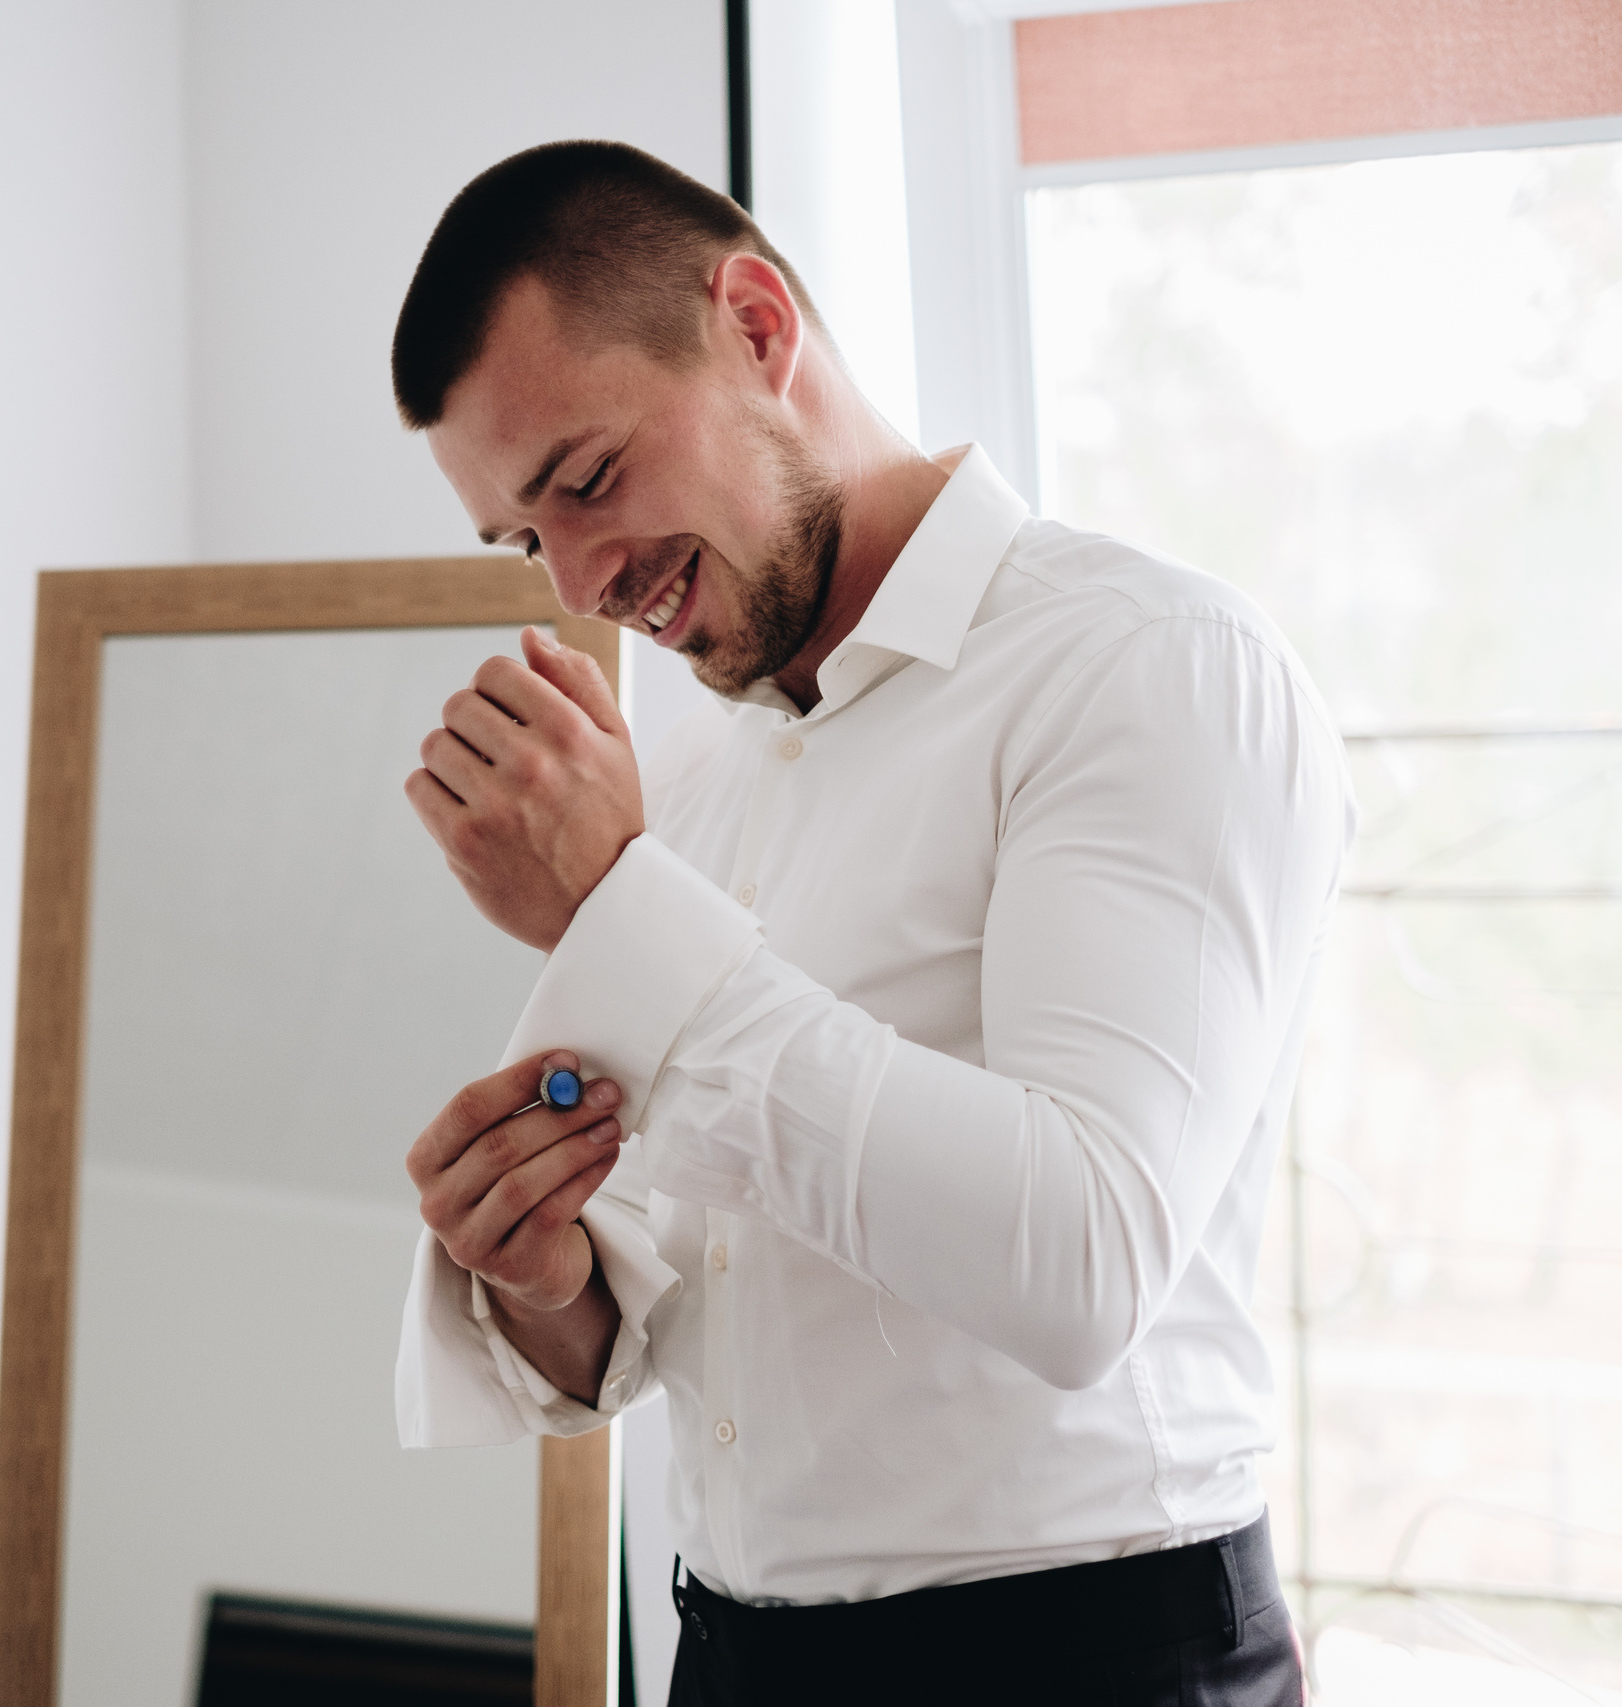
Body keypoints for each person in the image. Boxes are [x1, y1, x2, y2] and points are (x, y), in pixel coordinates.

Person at [388, 140, 1349, 1705]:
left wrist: (626, 913)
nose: (577, 583)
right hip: (732, 1654)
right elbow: (694, 1293)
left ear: (756, 328)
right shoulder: (684, 773)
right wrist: (548, 1278)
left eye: (586, 481)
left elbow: (1080, 1262)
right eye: (524, 538)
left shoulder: (1144, 669)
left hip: (1083, 1665)